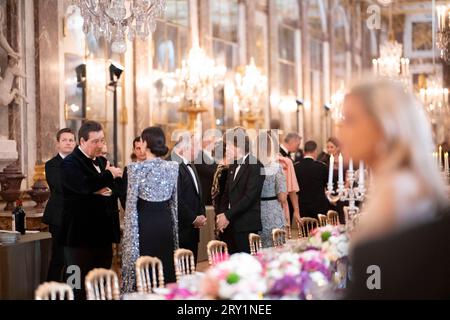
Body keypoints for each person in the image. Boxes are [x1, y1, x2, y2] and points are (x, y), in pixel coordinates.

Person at [340, 79, 449, 298]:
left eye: (349, 120)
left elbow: (377, 285)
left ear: (383, 127)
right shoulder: (402, 183)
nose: (340, 129)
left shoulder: (398, 193)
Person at [59, 121, 123, 300]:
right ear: (82, 141)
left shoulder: (103, 162)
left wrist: (103, 184)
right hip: (78, 238)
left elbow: (113, 190)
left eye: (102, 140)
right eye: (95, 141)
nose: (100, 145)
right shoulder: (69, 163)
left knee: (101, 285)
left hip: (102, 236)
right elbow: (82, 186)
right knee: (76, 286)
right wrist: (107, 176)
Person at [121, 127, 179, 292]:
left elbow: (131, 207)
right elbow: (174, 205)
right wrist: (174, 234)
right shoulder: (173, 167)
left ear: (145, 143)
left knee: (145, 267)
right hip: (165, 223)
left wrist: (130, 242)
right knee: (165, 266)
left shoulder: (135, 169)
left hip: (145, 224)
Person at [216, 127, 265, 254]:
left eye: (228, 146)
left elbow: (249, 197)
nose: (225, 149)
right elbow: (225, 194)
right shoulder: (232, 165)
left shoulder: (256, 165)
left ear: (239, 146)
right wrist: (221, 215)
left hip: (246, 225)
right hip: (229, 225)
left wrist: (227, 216)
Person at [43, 128, 76, 282]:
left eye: (71, 140)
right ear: (57, 144)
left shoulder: (81, 164)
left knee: (74, 259)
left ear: (75, 143)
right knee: (59, 258)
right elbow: (60, 186)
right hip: (59, 218)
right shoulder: (51, 165)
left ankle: (73, 291)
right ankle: (52, 292)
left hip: (77, 218)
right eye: (64, 140)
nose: (68, 143)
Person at [169, 132, 207, 263]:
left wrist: (201, 214)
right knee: (181, 272)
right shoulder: (173, 164)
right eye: (196, 145)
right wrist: (193, 218)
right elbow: (176, 198)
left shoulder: (191, 165)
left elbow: (197, 194)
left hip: (192, 230)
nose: (199, 150)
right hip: (180, 230)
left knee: (190, 269)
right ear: (185, 148)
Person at [256, 131, 287, 248]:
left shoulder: (251, 167)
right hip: (273, 211)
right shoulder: (276, 167)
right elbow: (282, 197)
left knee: (258, 248)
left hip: (256, 212)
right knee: (276, 248)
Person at [294, 140, 329, 219]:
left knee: (305, 230)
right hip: (320, 206)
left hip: (303, 206)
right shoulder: (322, 167)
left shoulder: (295, 167)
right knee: (320, 231)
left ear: (304, 151)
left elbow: (294, 189)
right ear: (315, 151)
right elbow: (327, 186)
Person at [119, 136, 147, 209]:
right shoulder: (128, 169)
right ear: (134, 150)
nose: (142, 151)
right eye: (138, 148)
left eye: (144, 148)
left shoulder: (155, 168)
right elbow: (123, 195)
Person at [211, 139, 229, 239]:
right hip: (223, 215)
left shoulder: (219, 169)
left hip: (219, 213)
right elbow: (222, 197)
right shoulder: (225, 171)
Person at [194, 134, 218, 206]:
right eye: (209, 141)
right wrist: (221, 172)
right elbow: (207, 171)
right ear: (203, 142)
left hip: (213, 193)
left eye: (213, 141)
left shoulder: (214, 156)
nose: (212, 143)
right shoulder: (198, 156)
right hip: (204, 193)